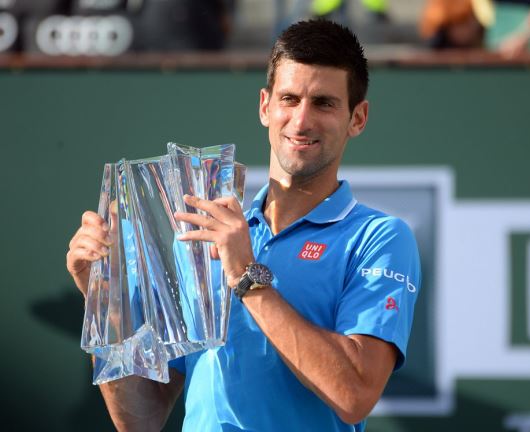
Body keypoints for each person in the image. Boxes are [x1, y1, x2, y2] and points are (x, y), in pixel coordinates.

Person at [66, 19, 421, 432]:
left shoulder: (380, 238)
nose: (301, 121)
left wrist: (246, 277)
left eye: (323, 103)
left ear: (357, 118)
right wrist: (103, 300)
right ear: (265, 106)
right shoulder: (202, 231)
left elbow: (354, 394)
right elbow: (141, 419)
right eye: (289, 99)